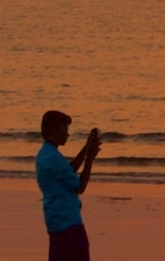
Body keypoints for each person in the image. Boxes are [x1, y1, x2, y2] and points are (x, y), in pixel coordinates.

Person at [37, 110, 101, 261]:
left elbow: (68, 171)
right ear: (54, 132)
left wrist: (86, 148)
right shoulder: (54, 158)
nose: (67, 135)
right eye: (64, 131)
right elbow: (79, 186)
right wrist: (90, 159)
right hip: (69, 223)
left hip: (54, 222)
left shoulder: (45, 154)